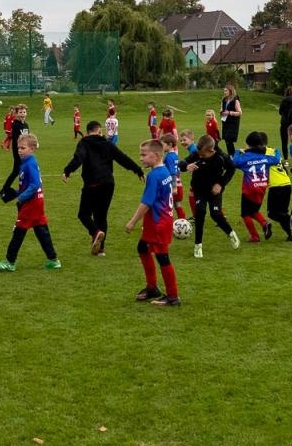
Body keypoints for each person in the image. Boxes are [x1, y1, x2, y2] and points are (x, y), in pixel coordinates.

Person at [63, 119, 146, 255]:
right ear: (100, 130)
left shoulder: (84, 142)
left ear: (87, 131)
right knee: (101, 216)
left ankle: (95, 233)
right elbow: (122, 158)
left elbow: (79, 157)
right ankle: (100, 249)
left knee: (83, 214)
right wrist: (138, 170)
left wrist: (68, 170)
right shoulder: (107, 143)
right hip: (108, 184)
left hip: (92, 184)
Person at [0, 132, 61, 271]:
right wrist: (16, 192)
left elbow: (35, 184)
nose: (19, 150)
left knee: (19, 231)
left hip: (32, 203)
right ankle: (53, 259)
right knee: (41, 230)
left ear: (32, 149)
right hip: (37, 201)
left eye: (23, 148)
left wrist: (22, 197)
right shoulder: (27, 163)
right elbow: (29, 184)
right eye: (18, 148)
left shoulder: (30, 164)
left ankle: (9, 261)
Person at [124, 139, 180, 306]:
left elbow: (147, 202)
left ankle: (173, 296)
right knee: (142, 248)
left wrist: (132, 222)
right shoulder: (164, 172)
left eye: (144, 155)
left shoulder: (154, 176)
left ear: (156, 156)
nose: (141, 158)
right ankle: (152, 288)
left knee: (163, 257)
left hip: (158, 222)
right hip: (160, 220)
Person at [183, 133, 238, 258]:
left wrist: (221, 184)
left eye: (203, 155)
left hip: (214, 191)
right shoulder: (197, 153)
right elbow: (182, 163)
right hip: (199, 190)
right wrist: (186, 166)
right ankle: (198, 246)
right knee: (200, 213)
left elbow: (231, 169)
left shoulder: (222, 157)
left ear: (211, 150)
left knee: (216, 215)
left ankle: (231, 233)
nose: (200, 156)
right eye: (199, 154)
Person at [229, 131, 278, 243]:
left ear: (249, 145)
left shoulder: (246, 157)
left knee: (245, 213)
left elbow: (235, 163)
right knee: (254, 210)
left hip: (249, 189)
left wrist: (237, 152)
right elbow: (276, 159)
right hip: (262, 188)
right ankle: (265, 223)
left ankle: (254, 236)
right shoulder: (265, 157)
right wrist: (277, 151)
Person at [266, 146, 292, 242]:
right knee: (282, 213)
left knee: (272, 213)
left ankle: (290, 219)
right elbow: (284, 168)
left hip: (276, 186)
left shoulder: (261, 155)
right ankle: (291, 235)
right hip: (287, 184)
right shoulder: (273, 151)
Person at [219, 84, 244, 154]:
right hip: (225, 122)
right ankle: (232, 155)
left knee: (229, 139)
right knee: (227, 140)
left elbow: (240, 112)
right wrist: (221, 112)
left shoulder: (235, 100)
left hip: (233, 123)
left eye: (226, 91)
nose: (224, 92)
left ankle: (232, 155)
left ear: (230, 91)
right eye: (224, 91)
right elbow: (221, 108)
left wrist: (229, 113)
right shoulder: (224, 99)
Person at [277, 86, 292, 151]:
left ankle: (286, 159)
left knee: (284, 141)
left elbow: (280, 111)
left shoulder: (284, 100)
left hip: (285, 123)